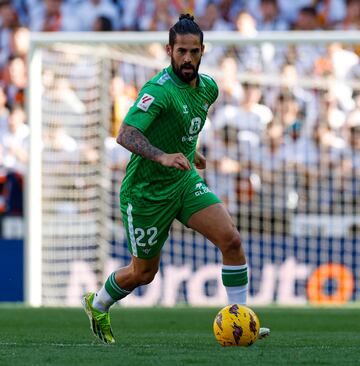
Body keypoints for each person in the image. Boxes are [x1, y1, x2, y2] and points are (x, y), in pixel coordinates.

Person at [82, 13, 270, 344]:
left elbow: (185, 124)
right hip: (147, 192)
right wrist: (161, 156)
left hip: (183, 183)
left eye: (193, 52)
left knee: (232, 241)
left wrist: (188, 150)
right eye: (181, 51)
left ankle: (240, 323)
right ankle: (97, 304)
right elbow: (125, 134)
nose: (187, 58)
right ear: (169, 50)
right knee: (144, 274)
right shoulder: (158, 90)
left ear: (202, 51)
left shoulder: (209, 88)